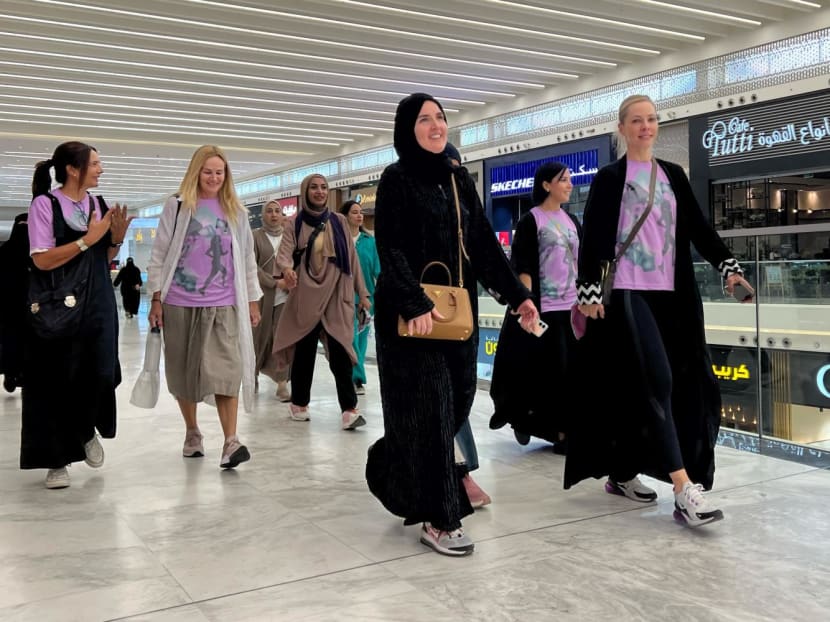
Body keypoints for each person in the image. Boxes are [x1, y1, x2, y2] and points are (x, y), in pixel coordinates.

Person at [566, 94, 755, 527]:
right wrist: (590, 290)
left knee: (681, 383)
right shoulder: (611, 177)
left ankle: (623, 471)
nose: (646, 127)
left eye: (651, 120)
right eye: (637, 120)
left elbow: (698, 229)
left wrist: (728, 267)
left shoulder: (671, 175)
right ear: (622, 128)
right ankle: (684, 488)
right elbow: (594, 236)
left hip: (675, 295)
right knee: (659, 380)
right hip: (632, 292)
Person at [365, 93, 539, 557]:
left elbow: (482, 244)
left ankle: (394, 467)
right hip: (412, 318)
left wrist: (519, 297)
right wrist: (414, 301)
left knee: (457, 402)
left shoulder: (459, 178)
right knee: (435, 408)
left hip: (457, 314)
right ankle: (441, 519)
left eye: (440, 117)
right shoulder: (396, 178)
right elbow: (392, 247)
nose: (436, 125)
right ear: (408, 128)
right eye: (425, 119)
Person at [22, 141, 131, 489]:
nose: (101, 170)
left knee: (100, 371)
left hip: (98, 303)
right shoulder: (45, 204)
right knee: (58, 380)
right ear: (72, 168)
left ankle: (85, 431)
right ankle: (56, 461)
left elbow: (103, 255)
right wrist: (88, 239)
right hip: (58, 305)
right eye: (95, 163)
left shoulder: (98, 205)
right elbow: (41, 259)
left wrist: (114, 239)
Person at [146, 145, 261, 469]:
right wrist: (156, 298)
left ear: (227, 176)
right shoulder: (178, 205)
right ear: (196, 172)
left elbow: (247, 259)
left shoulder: (235, 210)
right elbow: (160, 253)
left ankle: (230, 441)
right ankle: (192, 432)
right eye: (208, 171)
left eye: (219, 172)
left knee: (228, 369)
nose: (213, 177)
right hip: (179, 302)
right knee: (183, 369)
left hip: (223, 303)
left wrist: (252, 300)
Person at [490, 161, 581, 454]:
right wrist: (526, 301)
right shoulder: (532, 221)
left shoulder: (572, 221)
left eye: (569, 180)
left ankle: (566, 430)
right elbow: (524, 264)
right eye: (563, 180)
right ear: (546, 185)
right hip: (545, 308)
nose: (569, 184)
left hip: (572, 308)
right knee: (546, 372)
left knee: (570, 373)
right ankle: (539, 425)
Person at [273, 174, 370, 430]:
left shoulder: (338, 221)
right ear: (305, 191)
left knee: (340, 352)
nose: (319, 191)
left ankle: (349, 409)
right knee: (304, 353)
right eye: (314, 188)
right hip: (305, 296)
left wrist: (364, 295)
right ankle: (299, 403)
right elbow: (284, 255)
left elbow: (352, 261)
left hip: (336, 296)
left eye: (323, 187)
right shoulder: (294, 223)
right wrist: (287, 270)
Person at [339, 200, 380, 395]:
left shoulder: (369, 241)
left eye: (361, 212)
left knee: (361, 341)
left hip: (366, 299)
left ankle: (355, 377)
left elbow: (377, 269)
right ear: (345, 215)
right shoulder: (338, 239)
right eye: (354, 212)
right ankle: (357, 377)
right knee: (351, 339)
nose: (359, 215)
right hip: (344, 298)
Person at [252, 200, 291, 401]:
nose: (274, 215)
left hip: (286, 295)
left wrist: (289, 281)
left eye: (277, 211)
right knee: (259, 337)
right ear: (262, 215)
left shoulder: (288, 237)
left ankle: (282, 382)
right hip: (261, 294)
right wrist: (274, 283)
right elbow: (251, 266)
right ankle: (253, 373)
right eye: (269, 211)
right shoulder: (255, 237)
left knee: (282, 337)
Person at [0, 213, 29, 393]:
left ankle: (14, 374)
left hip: (14, 308)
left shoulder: (4, 252)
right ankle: (13, 374)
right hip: (15, 308)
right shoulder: (34, 254)